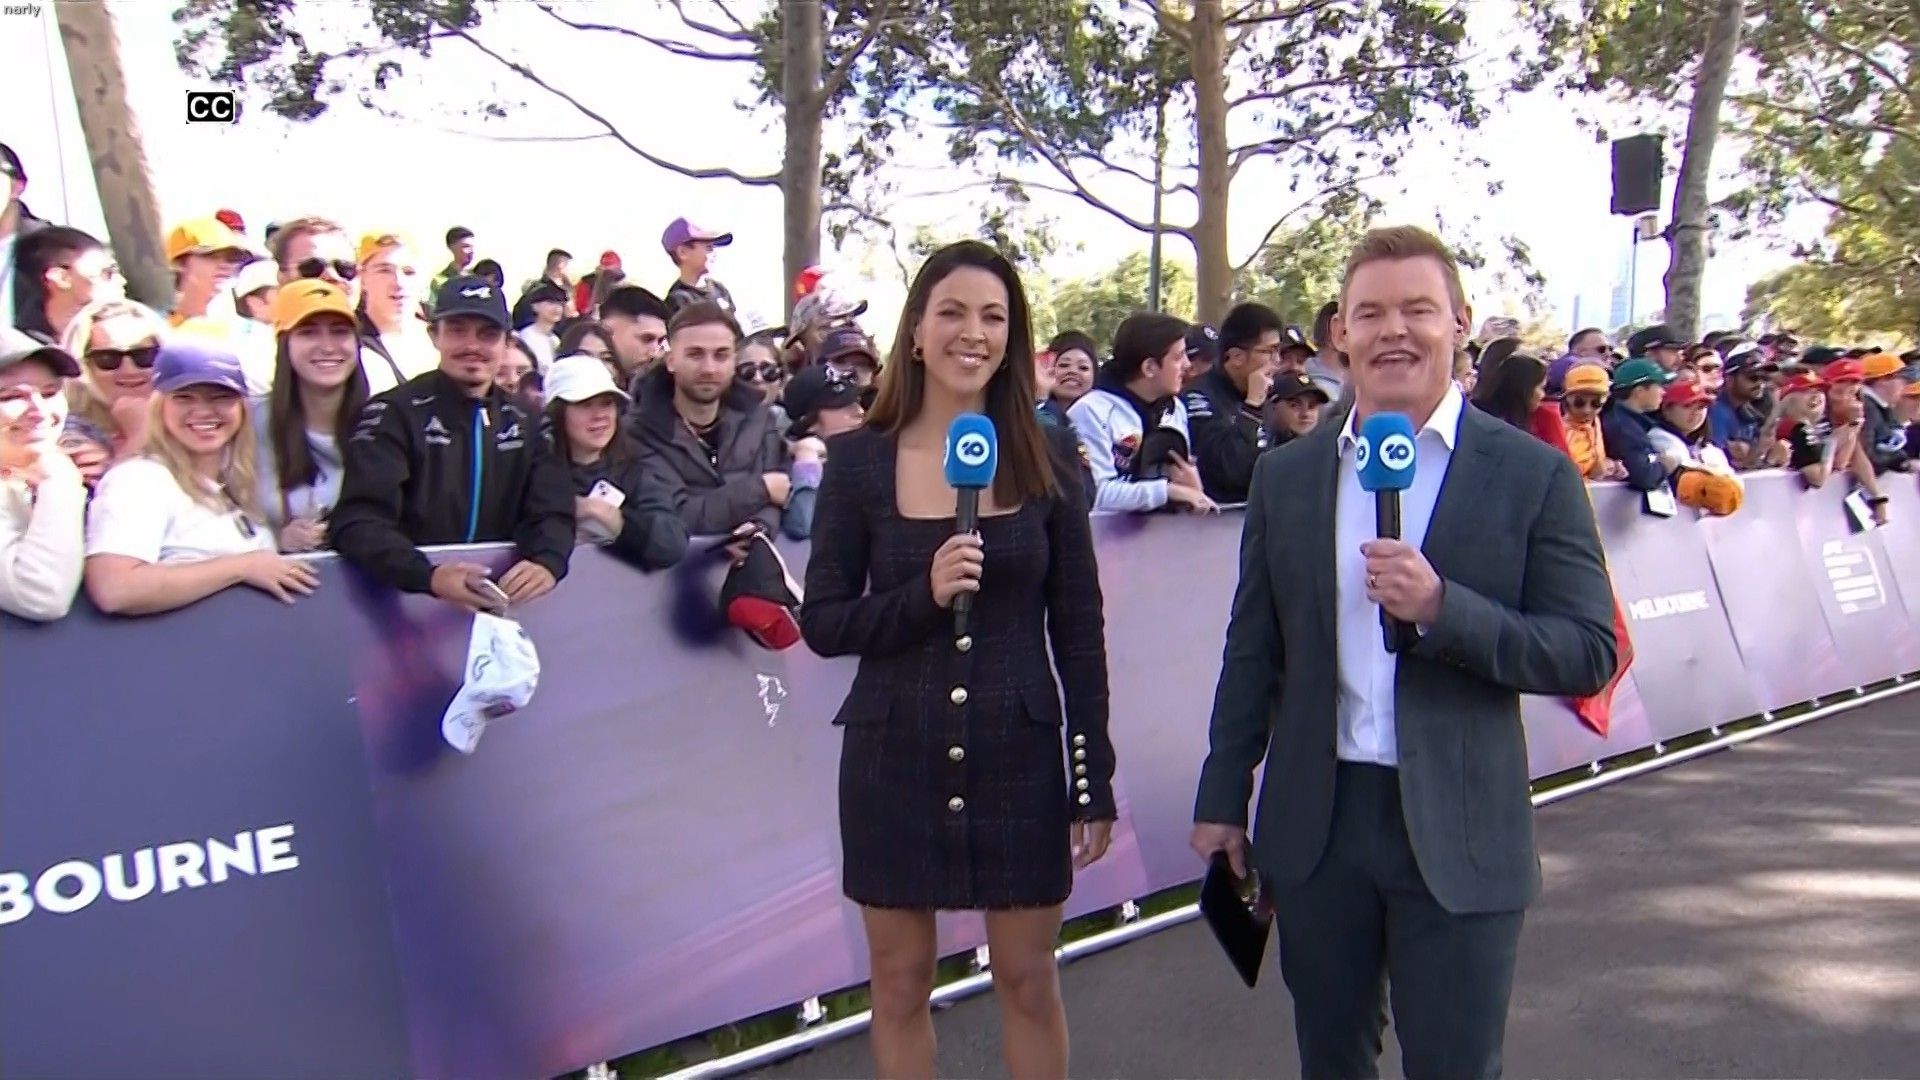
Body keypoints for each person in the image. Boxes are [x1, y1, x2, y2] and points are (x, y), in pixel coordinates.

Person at [1191, 225, 1616, 1080]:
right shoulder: (1289, 476)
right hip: (1319, 827)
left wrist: (1443, 610)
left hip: (1463, 830)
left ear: (1458, 322)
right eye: (1370, 312)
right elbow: (1253, 649)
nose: (1394, 331)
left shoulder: (1533, 474)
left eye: (1417, 309)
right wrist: (1223, 792)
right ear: (1340, 333)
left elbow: (1588, 650)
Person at [797, 240, 1113, 1080]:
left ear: (1011, 340)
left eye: (993, 317)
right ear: (915, 333)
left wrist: (1092, 777)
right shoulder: (859, 462)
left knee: (1029, 980)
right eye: (952, 312)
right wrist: (922, 595)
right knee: (899, 982)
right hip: (891, 757)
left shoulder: (1048, 459)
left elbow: (1079, 630)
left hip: (1018, 755)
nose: (973, 332)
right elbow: (822, 622)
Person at [330, 275, 574, 613]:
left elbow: (554, 510)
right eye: (458, 330)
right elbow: (358, 521)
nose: (472, 346)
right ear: (435, 335)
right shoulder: (393, 412)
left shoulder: (528, 421)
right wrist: (427, 576)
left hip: (501, 609)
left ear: (507, 342)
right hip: (399, 608)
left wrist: (548, 560)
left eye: (487, 334)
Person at [84, 338, 317, 615]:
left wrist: (280, 543)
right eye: (184, 398)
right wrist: (242, 566)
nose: (204, 411)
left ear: (242, 408)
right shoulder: (140, 479)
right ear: (159, 405)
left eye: (221, 397)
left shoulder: (232, 481)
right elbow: (114, 588)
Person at [630, 301, 789, 539]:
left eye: (721, 355)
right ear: (671, 360)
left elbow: (780, 489)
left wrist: (759, 527)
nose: (709, 368)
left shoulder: (758, 418)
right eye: (695, 354)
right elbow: (675, 516)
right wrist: (760, 489)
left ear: (734, 361)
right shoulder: (639, 432)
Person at [542, 354, 688, 572]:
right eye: (585, 404)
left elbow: (672, 544)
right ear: (558, 412)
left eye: (607, 403)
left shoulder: (634, 473)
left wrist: (614, 521)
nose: (600, 415)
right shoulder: (533, 472)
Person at [254, 280, 369, 552]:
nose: (327, 347)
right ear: (284, 344)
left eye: (339, 332)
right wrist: (276, 539)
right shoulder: (249, 422)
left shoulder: (383, 421)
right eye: (308, 332)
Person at [1067, 312, 1213, 514]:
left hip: (1166, 530)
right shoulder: (1091, 412)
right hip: (1105, 531)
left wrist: (1193, 489)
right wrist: (1167, 491)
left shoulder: (1175, 409)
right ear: (1149, 367)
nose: (1187, 365)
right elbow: (1097, 494)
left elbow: (1186, 484)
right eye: (1178, 357)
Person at [0, 330, 86, 620]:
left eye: (50, 393)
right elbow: (41, 595)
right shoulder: (60, 474)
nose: (39, 411)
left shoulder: (88, 464)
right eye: (10, 396)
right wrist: (59, 482)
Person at [1184, 301, 1284, 504]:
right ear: (1237, 357)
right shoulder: (1198, 397)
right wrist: (1252, 408)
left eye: (1279, 350)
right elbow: (1226, 472)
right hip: (1215, 517)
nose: (1278, 360)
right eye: (1270, 351)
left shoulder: (1263, 395)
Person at [59, 298, 167, 459]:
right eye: (108, 358)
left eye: (145, 356)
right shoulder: (69, 432)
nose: (130, 370)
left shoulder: (183, 418)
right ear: (83, 366)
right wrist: (137, 437)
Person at [778, 363, 866, 540]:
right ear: (809, 421)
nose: (859, 411)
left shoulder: (866, 455)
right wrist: (807, 461)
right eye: (842, 405)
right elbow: (803, 523)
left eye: (856, 402)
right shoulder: (789, 465)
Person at [10, 226, 124, 346]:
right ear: (61, 278)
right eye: (107, 273)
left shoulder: (130, 330)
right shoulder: (21, 351)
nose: (122, 281)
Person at [354, 231, 435, 391]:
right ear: (362, 278)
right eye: (384, 270)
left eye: (409, 272)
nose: (398, 282)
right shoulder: (351, 346)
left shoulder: (442, 336)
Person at [164, 216, 252, 327]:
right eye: (212, 256)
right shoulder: (153, 327)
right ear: (180, 263)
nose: (225, 265)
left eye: (231, 258)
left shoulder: (240, 329)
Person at [1559, 362, 1625, 480]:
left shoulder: (1598, 423)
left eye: (1596, 403)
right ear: (1566, 400)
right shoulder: (1556, 429)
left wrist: (1612, 465)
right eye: (1579, 403)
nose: (1587, 410)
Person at [661, 217, 736, 316]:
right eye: (709, 248)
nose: (714, 253)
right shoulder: (678, 300)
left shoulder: (719, 289)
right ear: (682, 252)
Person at [1259, 371, 1330, 450]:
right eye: (1294, 405)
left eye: (1312, 406)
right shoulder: (1256, 448)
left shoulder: (1329, 448)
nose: (1305, 414)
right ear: (1273, 407)